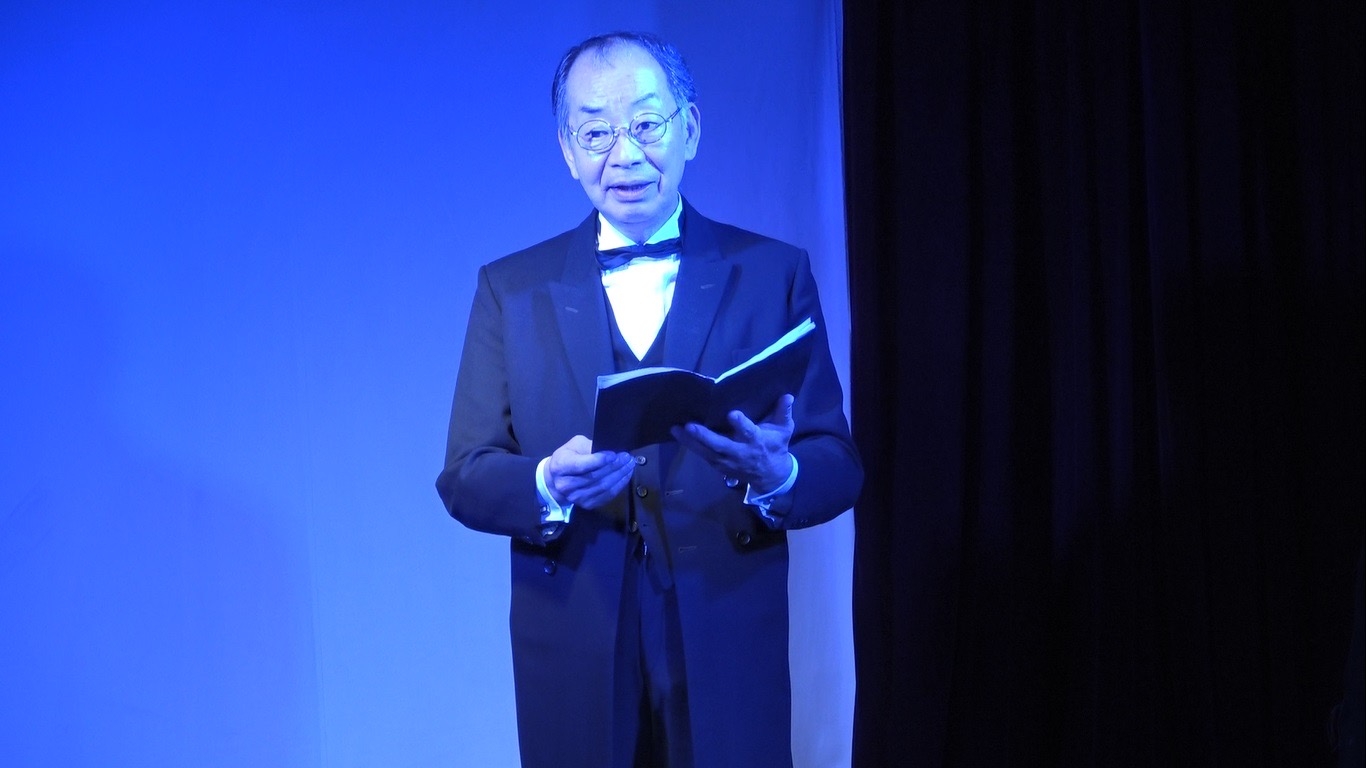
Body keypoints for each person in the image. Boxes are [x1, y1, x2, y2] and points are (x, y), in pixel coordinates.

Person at [436, 31, 861, 768]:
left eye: (645, 124)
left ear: (688, 128)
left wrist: (778, 473)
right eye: (596, 133)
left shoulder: (772, 273)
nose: (624, 154)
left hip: (728, 625)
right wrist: (547, 483)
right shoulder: (511, 289)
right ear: (567, 151)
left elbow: (837, 461)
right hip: (572, 633)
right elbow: (465, 475)